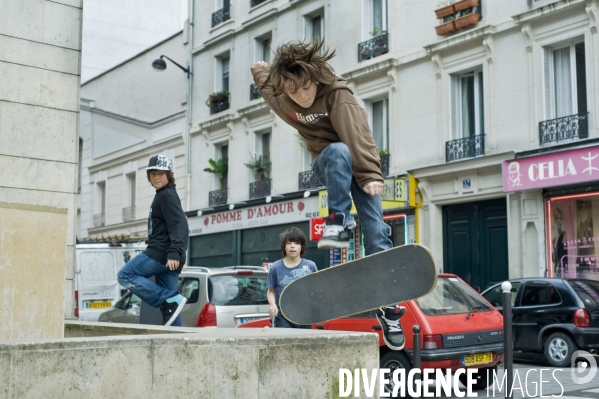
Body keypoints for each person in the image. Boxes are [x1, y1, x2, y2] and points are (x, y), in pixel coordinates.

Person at [251, 41, 406, 349]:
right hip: (329, 165)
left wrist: (372, 174)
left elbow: (358, 137)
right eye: (294, 93)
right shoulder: (282, 96)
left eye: (306, 89)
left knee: (375, 232)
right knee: (335, 153)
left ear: (316, 79)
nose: (302, 98)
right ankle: (338, 219)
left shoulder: (338, 97)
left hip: (360, 163)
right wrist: (259, 71)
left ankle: (389, 310)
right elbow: (266, 84)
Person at [117, 154, 189, 326]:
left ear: (169, 175)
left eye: (160, 173)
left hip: (162, 253)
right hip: (170, 257)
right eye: (153, 174)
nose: (156, 177)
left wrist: (174, 252)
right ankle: (176, 343)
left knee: (125, 275)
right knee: (172, 310)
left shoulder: (167, 196)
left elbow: (180, 225)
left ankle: (167, 300)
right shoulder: (163, 195)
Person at [267, 227, 318, 328]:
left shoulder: (311, 266)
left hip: (304, 316)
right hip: (282, 317)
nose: (292, 246)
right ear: (284, 246)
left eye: (296, 243)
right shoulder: (275, 267)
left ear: (302, 246)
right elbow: (271, 290)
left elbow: (316, 290)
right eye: (289, 243)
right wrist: (273, 305)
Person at [552, 206, 567, 277]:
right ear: (554, 220)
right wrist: (553, 245)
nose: (559, 221)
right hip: (558, 269)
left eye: (560, 218)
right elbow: (555, 258)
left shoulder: (564, 235)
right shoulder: (555, 237)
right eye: (557, 218)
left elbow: (564, 254)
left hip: (563, 269)